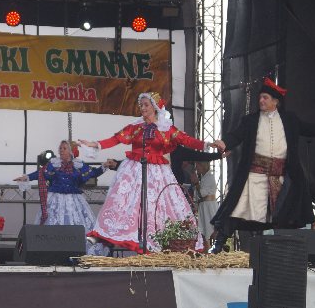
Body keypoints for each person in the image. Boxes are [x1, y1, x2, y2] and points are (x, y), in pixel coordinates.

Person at [208, 77, 315, 252]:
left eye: (265, 97)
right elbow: (236, 136)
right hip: (255, 175)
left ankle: (287, 252)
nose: (261, 100)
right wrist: (224, 143)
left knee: (285, 215)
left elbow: (314, 129)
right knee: (238, 208)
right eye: (260, 97)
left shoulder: (290, 120)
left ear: (276, 101)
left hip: (282, 176)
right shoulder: (250, 121)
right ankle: (219, 243)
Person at [78, 92, 214, 253]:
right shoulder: (136, 127)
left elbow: (187, 140)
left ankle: (160, 240)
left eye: (146, 105)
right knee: (122, 201)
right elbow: (116, 139)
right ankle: (105, 234)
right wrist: (95, 144)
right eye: (141, 105)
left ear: (155, 107)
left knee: (159, 204)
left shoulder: (166, 128)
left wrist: (208, 145)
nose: (142, 108)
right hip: (135, 170)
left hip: (157, 173)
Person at [14, 141, 117, 255]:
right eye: (60, 148)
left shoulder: (78, 165)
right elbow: (40, 173)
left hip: (74, 200)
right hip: (55, 199)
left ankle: (77, 251)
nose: (61, 150)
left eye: (64, 148)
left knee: (77, 224)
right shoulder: (53, 164)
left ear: (71, 151)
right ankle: (51, 252)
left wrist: (104, 166)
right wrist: (26, 177)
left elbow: (93, 173)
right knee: (52, 224)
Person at [184, 160, 218, 245]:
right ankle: (208, 248)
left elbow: (202, 193)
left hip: (209, 206)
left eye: (197, 166)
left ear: (202, 165)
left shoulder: (209, 177)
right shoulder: (204, 177)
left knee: (211, 229)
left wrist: (196, 183)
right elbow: (198, 195)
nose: (196, 168)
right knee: (205, 230)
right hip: (204, 206)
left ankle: (216, 248)